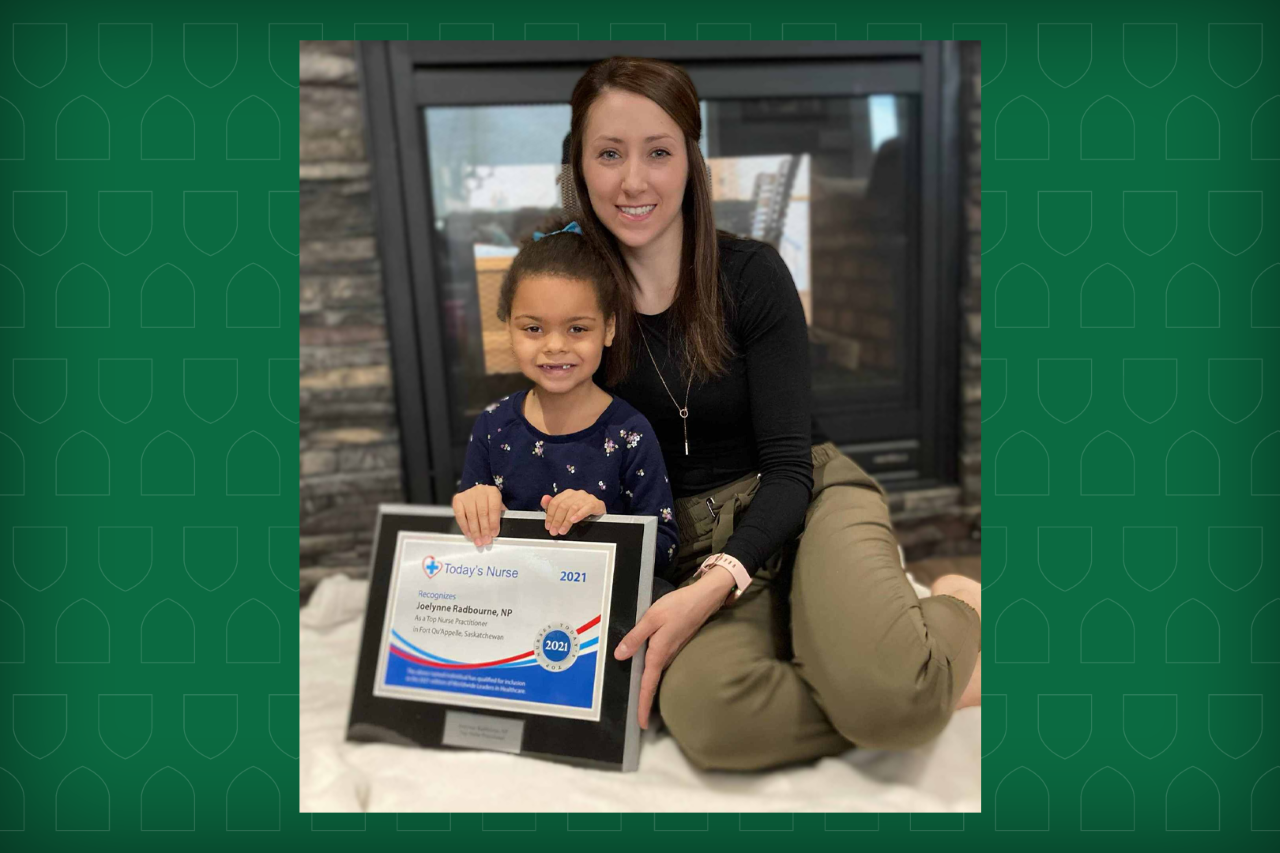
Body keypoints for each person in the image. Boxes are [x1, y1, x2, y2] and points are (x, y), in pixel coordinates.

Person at [557, 56, 983, 771]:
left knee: (891, 703)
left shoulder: (751, 274)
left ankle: (955, 609)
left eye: (658, 152)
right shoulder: (571, 302)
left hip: (805, 494)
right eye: (609, 153)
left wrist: (717, 584)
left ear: (690, 162)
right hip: (685, 539)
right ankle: (874, 666)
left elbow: (789, 467)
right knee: (706, 717)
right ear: (579, 164)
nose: (634, 181)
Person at [451, 219, 681, 600]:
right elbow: (468, 543)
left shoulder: (629, 431)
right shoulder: (493, 426)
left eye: (577, 329)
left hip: (599, 605)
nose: (555, 346)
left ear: (609, 329)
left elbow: (666, 548)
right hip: (514, 601)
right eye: (533, 329)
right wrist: (473, 505)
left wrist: (605, 525)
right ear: (508, 326)